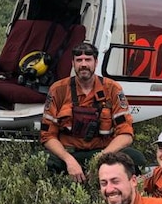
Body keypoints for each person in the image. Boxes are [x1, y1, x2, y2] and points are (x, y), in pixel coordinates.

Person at [40, 41, 146, 183]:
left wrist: (100, 159)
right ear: (73, 63)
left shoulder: (112, 89)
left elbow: (126, 134)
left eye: (88, 60)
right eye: (79, 60)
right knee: (41, 161)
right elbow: (47, 135)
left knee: (136, 159)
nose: (83, 64)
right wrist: (69, 160)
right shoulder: (58, 89)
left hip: (102, 152)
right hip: (70, 153)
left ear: (96, 62)